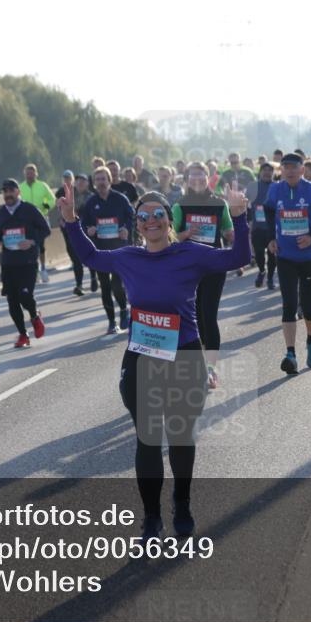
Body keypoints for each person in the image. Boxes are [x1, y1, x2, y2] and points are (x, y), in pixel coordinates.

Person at [59, 183, 250, 542]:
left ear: (169, 220)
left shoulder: (190, 253)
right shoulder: (128, 257)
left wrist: (239, 218)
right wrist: (71, 223)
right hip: (142, 358)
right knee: (147, 439)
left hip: (185, 355)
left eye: (158, 214)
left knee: (180, 438)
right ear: (137, 224)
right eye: (143, 216)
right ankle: (150, 518)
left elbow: (238, 258)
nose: (151, 221)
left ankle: (182, 502)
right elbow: (91, 256)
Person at [264, 153, 311, 374]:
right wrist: (271, 238)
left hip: (309, 258)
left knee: (307, 304)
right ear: (282, 170)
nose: (289, 171)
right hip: (285, 257)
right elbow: (267, 211)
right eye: (285, 167)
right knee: (288, 304)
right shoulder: (275, 190)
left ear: (302, 169)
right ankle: (290, 354)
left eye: (294, 167)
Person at [173, 161, 235, 389]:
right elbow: (169, 238)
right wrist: (186, 233)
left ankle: (211, 370)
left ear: (208, 178)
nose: (197, 180)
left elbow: (229, 232)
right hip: (187, 270)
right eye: (192, 176)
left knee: (208, 318)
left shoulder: (219, 204)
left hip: (212, 267)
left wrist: (232, 233)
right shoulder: (180, 205)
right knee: (192, 319)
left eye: (201, 176)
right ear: (187, 179)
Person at [0, 179, 50, 348]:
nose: (8, 194)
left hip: (28, 261)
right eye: (5, 191)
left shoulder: (29, 210)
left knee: (25, 295)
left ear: (18, 192)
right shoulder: (0, 213)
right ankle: (23, 335)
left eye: (11, 191)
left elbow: (46, 230)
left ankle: (34, 315)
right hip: (9, 263)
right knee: (12, 301)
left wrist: (31, 241)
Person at [80, 166, 134, 333]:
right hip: (100, 250)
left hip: (119, 249)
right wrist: (89, 230)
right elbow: (83, 224)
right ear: (94, 183)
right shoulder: (90, 203)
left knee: (117, 284)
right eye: (98, 180)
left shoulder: (120, 199)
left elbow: (131, 216)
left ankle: (124, 310)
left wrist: (126, 228)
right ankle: (111, 321)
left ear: (109, 180)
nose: (101, 182)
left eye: (104, 179)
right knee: (105, 286)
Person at [55, 171, 93, 296]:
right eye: (78, 181)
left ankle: (93, 277)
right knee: (76, 259)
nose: (80, 183)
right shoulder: (70, 195)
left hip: (87, 231)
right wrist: (61, 219)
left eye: (83, 181)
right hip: (72, 230)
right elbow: (61, 208)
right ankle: (79, 285)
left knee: (90, 255)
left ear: (87, 183)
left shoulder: (92, 197)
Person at [18, 163, 57, 283]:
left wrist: (46, 205)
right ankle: (33, 271)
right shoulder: (20, 187)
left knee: (40, 245)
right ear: (24, 174)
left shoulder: (42, 186)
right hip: (26, 221)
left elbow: (52, 199)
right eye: (27, 173)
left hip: (41, 219)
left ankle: (43, 269)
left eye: (32, 173)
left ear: (36, 173)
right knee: (28, 246)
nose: (30, 175)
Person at [247, 162, 277, 290]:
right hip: (257, 227)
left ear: (273, 173)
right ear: (260, 172)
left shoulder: (277, 186)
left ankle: (270, 278)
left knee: (272, 255)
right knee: (259, 254)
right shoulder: (253, 186)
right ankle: (261, 271)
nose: (267, 172)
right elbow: (245, 204)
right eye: (264, 170)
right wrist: (248, 221)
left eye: (269, 170)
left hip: (272, 227)